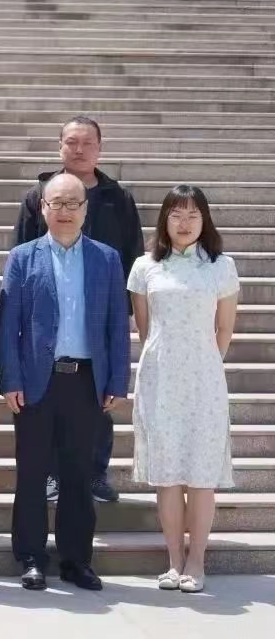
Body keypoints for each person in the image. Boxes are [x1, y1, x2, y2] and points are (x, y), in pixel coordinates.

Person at [0, 173, 131, 592]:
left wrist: (117, 380)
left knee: (78, 474)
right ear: (43, 208)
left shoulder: (106, 259)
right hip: (37, 381)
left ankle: (76, 560)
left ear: (85, 209)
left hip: (86, 381)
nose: (64, 211)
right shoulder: (23, 257)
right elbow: (9, 326)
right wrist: (11, 379)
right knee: (32, 472)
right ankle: (31, 557)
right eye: (56, 203)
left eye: (73, 203)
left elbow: (117, 324)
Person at [14, 116, 144, 504]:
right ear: (60, 147)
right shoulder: (38, 195)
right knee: (47, 404)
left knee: (97, 403)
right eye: (71, 142)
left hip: (99, 313)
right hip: (49, 315)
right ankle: (53, 474)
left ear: (100, 149)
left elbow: (133, 255)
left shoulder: (118, 198)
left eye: (88, 143)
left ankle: (95, 472)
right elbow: (22, 249)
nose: (79, 149)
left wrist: (122, 311)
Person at [128, 185, 239, 594]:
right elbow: (145, 329)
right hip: (160, 379)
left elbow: (224, 329)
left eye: (193, 214)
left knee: (201, 475)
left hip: (204, 381)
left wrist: (202, 363)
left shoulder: (221, 266)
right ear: (164, 220)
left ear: (204, 220)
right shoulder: (144, 267)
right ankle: (174, 560)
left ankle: (197, 561)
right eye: (176, 214)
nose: (185, 222)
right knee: (168, 475)